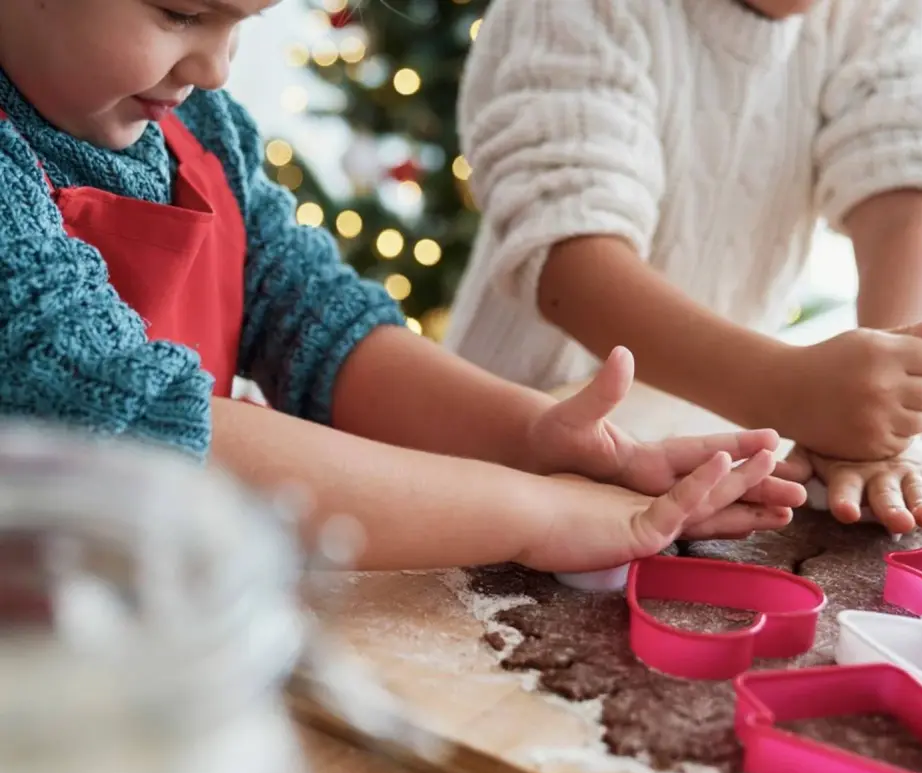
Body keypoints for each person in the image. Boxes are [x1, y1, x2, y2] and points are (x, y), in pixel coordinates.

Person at [0, 0, 808, 575]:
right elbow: (131, 431)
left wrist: (533, 437)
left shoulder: (197, 125)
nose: (215, 68)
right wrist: (535, 514)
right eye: (179, 14)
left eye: (242, 21)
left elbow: (311, 320)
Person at [446, 0, 922, 534]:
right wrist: (790, 392)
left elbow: (903, 187)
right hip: (509, 443)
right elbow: (571, 261)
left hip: (713, 451)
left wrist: (886, 424)